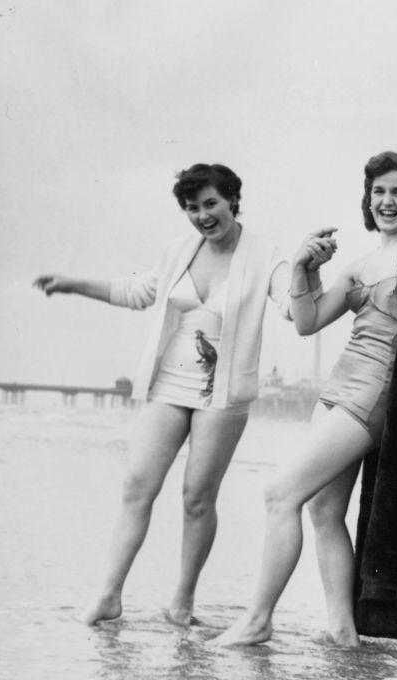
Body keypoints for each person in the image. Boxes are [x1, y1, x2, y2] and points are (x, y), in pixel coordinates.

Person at [214, 151, 397, 647]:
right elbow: (307, 321)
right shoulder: (361, 264)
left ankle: (257, 620)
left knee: (280, 493)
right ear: (368, 199)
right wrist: (302, 267)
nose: (386, 201)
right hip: (338, 388)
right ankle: (344, 633)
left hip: (378, 393)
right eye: (378, 192)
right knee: (322, 512)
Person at [33, 163, 309, 627]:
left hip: (221, 393)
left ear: (232, 200)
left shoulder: (266, 255)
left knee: (197, 498)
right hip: (167, 383)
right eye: (191, 207)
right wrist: (73, 284)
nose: (202, 215)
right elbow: (137, 291)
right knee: (136, 485)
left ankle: (182, 602)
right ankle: (108, 595)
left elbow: (292, 308)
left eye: (210, 204)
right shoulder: (180, 250)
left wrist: (305, 268)